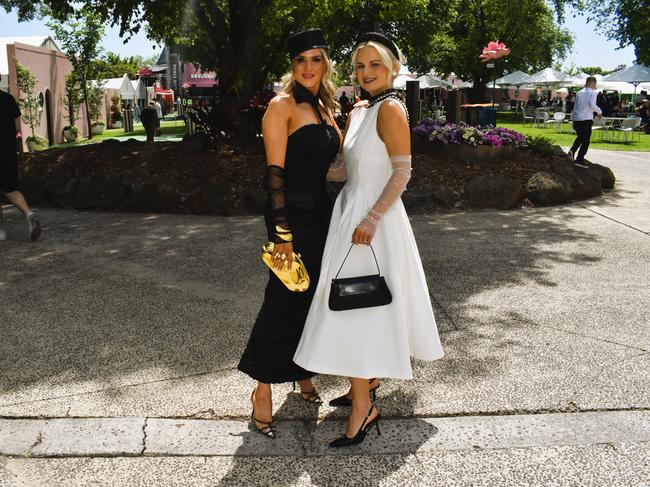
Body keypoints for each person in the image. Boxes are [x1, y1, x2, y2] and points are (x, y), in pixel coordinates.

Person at [294, 32, 444, 448]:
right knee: (352, 304)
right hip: (350, 211)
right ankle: (365, 382)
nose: (366, 73)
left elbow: (402, 172)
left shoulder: (391, 108)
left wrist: (373, 218)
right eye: (360, 66)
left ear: (392, 67)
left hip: (374, 219)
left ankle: (364, 406)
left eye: (374, 64)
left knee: (359, 306)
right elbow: (347, 169)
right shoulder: (360, 107)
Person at [237, 28, 342, 438]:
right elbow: (274, 175)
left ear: (325, 63)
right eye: (301, 60)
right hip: (290, 219)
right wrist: (282, 235)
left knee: (313, 301)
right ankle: (261, 390)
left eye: (316, 59)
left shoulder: (327, 107)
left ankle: (302, 374)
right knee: (282, 301)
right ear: (292, 66)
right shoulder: (280, 106)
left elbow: (331, 167)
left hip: (322, 216)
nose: (309, 67)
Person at [0, 86, 41, 241]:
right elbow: (17, 127)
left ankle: (1, 232)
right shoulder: (8, 99)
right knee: (11, 189)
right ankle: (28, 213)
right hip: (8, 153)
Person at [568, 76, 602, 168]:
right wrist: (599, 112)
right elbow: (592, 104)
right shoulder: (592, 93)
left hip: (577, 119)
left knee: (580, 137)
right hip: (586, 119)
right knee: (586, 141)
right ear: (594, 84)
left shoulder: (579, 92)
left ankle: (572, 150)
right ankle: (579, 159)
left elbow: (575, 106)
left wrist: (574, 119)